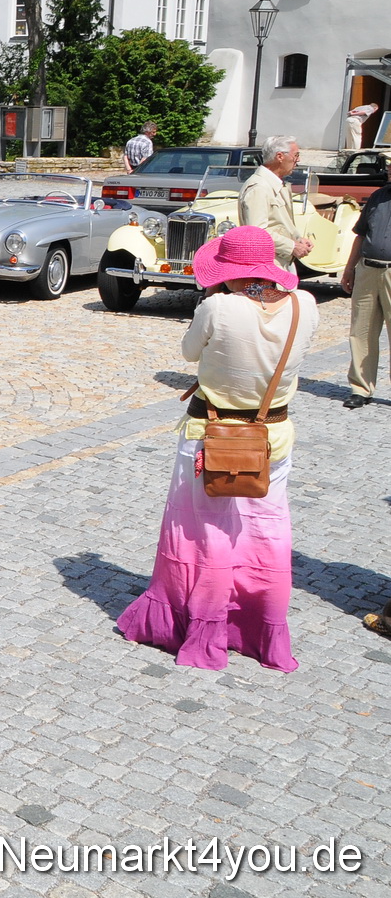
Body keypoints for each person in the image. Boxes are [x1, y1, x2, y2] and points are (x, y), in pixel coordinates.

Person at [116, 225, 316, 672]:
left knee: (204, 533)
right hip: (273, 435)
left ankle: (201, 622)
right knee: (266, 527)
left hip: (213, 434)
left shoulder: (218, 307)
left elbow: (189, 353)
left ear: (228, 271)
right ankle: (258, 624)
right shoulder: (306, 305)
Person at [340, 178, 391, 410]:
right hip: (368, 269)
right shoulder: (377, 196)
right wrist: (349, 268)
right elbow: (360, 235)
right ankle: (360, 388)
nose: (389, 169)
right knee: (361, 330)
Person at [239, 135, 312, 272]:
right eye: (296, 155)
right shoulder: (259, 187)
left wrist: (297, 240)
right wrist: (292, 246)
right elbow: (257, 233)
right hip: (268, 268)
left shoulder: (275, 184)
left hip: (281, 263)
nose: (298, 160)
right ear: (280, 157)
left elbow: (278, 223)